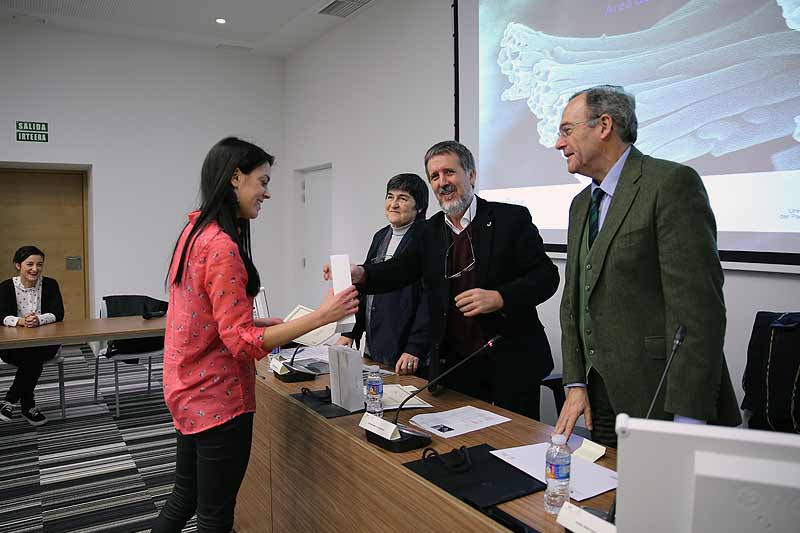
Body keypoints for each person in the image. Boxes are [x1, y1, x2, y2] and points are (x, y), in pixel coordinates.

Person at [152, 137, 359, 533]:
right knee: (214, 518)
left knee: (183, 499)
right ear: (235, 178)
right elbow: (240, 343)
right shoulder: (222, 247)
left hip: (186, 389)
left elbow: (204, 317)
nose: (267, 192)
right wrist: (322, 316)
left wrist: (264, 324)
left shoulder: (195, 231)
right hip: (217, 398)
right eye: (262, 181)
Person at [553, 85, 741, 447]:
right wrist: (575, 382)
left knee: (660, 487)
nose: (559, 144)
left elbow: (698, 310)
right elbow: (573, 301)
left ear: (604, 125)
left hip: (661, 399)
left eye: (567, 130)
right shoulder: (580, 205)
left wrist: (688, 419)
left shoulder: (670, 184)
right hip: (597, 400)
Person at [326, 141, 559, 420]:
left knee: (514, 440)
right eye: (434, 176)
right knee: (461, 440)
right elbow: (399, 270)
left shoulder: (510, 219)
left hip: (511, 361)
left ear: (471, 175)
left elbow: (546, 276)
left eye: (449, 172)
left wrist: (500, 298)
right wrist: (361, 273)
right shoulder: (429, 231)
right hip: (457, 367)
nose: (442, 182)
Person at [335, 173, 431, 375]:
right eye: (390, 197)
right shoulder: (381, 236)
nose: (393, 204)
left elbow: (430, 299)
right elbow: (365, 287)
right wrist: (350, 332)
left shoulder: (428, 237)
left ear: (420, 207)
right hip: (376, 343)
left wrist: (415, 347)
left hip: (408, 351)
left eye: (402, 198)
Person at [0, 245, 64, 427]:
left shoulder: (51, 284)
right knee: (32, 359)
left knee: (33, 355)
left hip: (45, 344)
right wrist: (20, 321)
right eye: (30, 264)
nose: (35, 269)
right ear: (18, 265)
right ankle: (28, 406)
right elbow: (0, 316)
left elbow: (58, 313)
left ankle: (9, 401)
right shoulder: (5, 287)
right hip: (14, 346)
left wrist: (38, 320)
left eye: (39, 264)